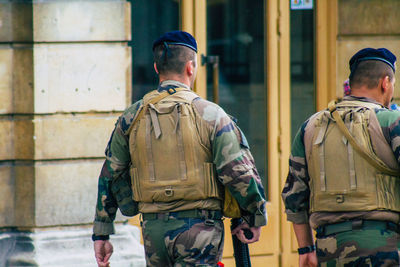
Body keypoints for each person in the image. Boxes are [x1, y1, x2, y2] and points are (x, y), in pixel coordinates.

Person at [92, 31, 267, 267]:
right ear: (191, 67)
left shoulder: (131, 117)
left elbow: (110, 174)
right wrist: (254, 216)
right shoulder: (211, 114)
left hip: (152, 229)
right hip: (200, 231)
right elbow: (238, 172)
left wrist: (102, 233)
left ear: (156, 68)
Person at [282, 47, 400, 266]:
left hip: (329, 248)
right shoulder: (391, 121)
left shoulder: (310, 126)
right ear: (385, 83)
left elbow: (294, 195)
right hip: (385, 245)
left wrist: (305, 249)